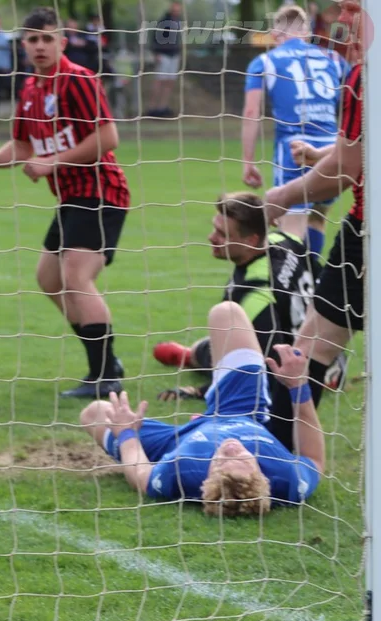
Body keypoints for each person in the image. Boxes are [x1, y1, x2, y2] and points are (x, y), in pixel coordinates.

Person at [0, 6, 131, 399]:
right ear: (24, 45)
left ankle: (105, 376)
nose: (40, 46)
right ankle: (106, 359)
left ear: (62, 42)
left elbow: (108, 138)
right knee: (49, 280)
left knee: (76, 276)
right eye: (33, 40)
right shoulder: (31, 90)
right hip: (72, 197)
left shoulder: (78, 80)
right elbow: (22, 146)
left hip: (102, 191)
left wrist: (52, 161)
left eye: (47, 38)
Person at [82, 302, 324, 516]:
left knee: (95, 413)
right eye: (243, 459)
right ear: (262, 475)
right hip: (241, 410)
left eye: (221, 461)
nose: (231, 449)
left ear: (207, 478)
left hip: (176, 441)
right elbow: (314, 458)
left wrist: (126, 434)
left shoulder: (182, 471)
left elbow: (142, 477)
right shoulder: (288, 480)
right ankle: (197, 356)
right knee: (226, 313)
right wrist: (298, 385)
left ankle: (195, 357)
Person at [151, 192, 344, 452]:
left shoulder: (252, 295)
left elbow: (263, 369)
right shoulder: (284, 239)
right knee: (213, 344)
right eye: (215, 228)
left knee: (225, 344)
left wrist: (202, 392)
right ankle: (190, 355)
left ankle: (191, 355)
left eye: (222, 234)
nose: (211, 237)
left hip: (299, 370)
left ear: (251, 240)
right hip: (327, 353)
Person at [264, 0, 364, 397]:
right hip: (332, 165)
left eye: (351, 9)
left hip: (366, 230)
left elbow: (344, 171)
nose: (340, 19)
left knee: (305, 354)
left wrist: (282, 196)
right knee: (305, 351)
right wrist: (325, 154)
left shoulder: (361, 75)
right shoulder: (345, 69)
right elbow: (356, 153)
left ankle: (286, 450)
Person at [241, 5, 346, 258]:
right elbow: (351, 104)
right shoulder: (334, 59)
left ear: (275, 34)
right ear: (308, 32)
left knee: (291, 228)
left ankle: (293, 292)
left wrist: (248, 161)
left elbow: (252, 112)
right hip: (332, 150)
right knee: (318, 217)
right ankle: (312, 282)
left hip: (295, 149)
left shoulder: (265, 61)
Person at [146, 1, 183, 118]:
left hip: (174, 55)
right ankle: (152, 108)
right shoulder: (163, 21)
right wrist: (156, 53)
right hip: (164, 55)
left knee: (169, 82)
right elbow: (155, 37)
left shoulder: (178, 21)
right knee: (159, 81)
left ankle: (163, 107)